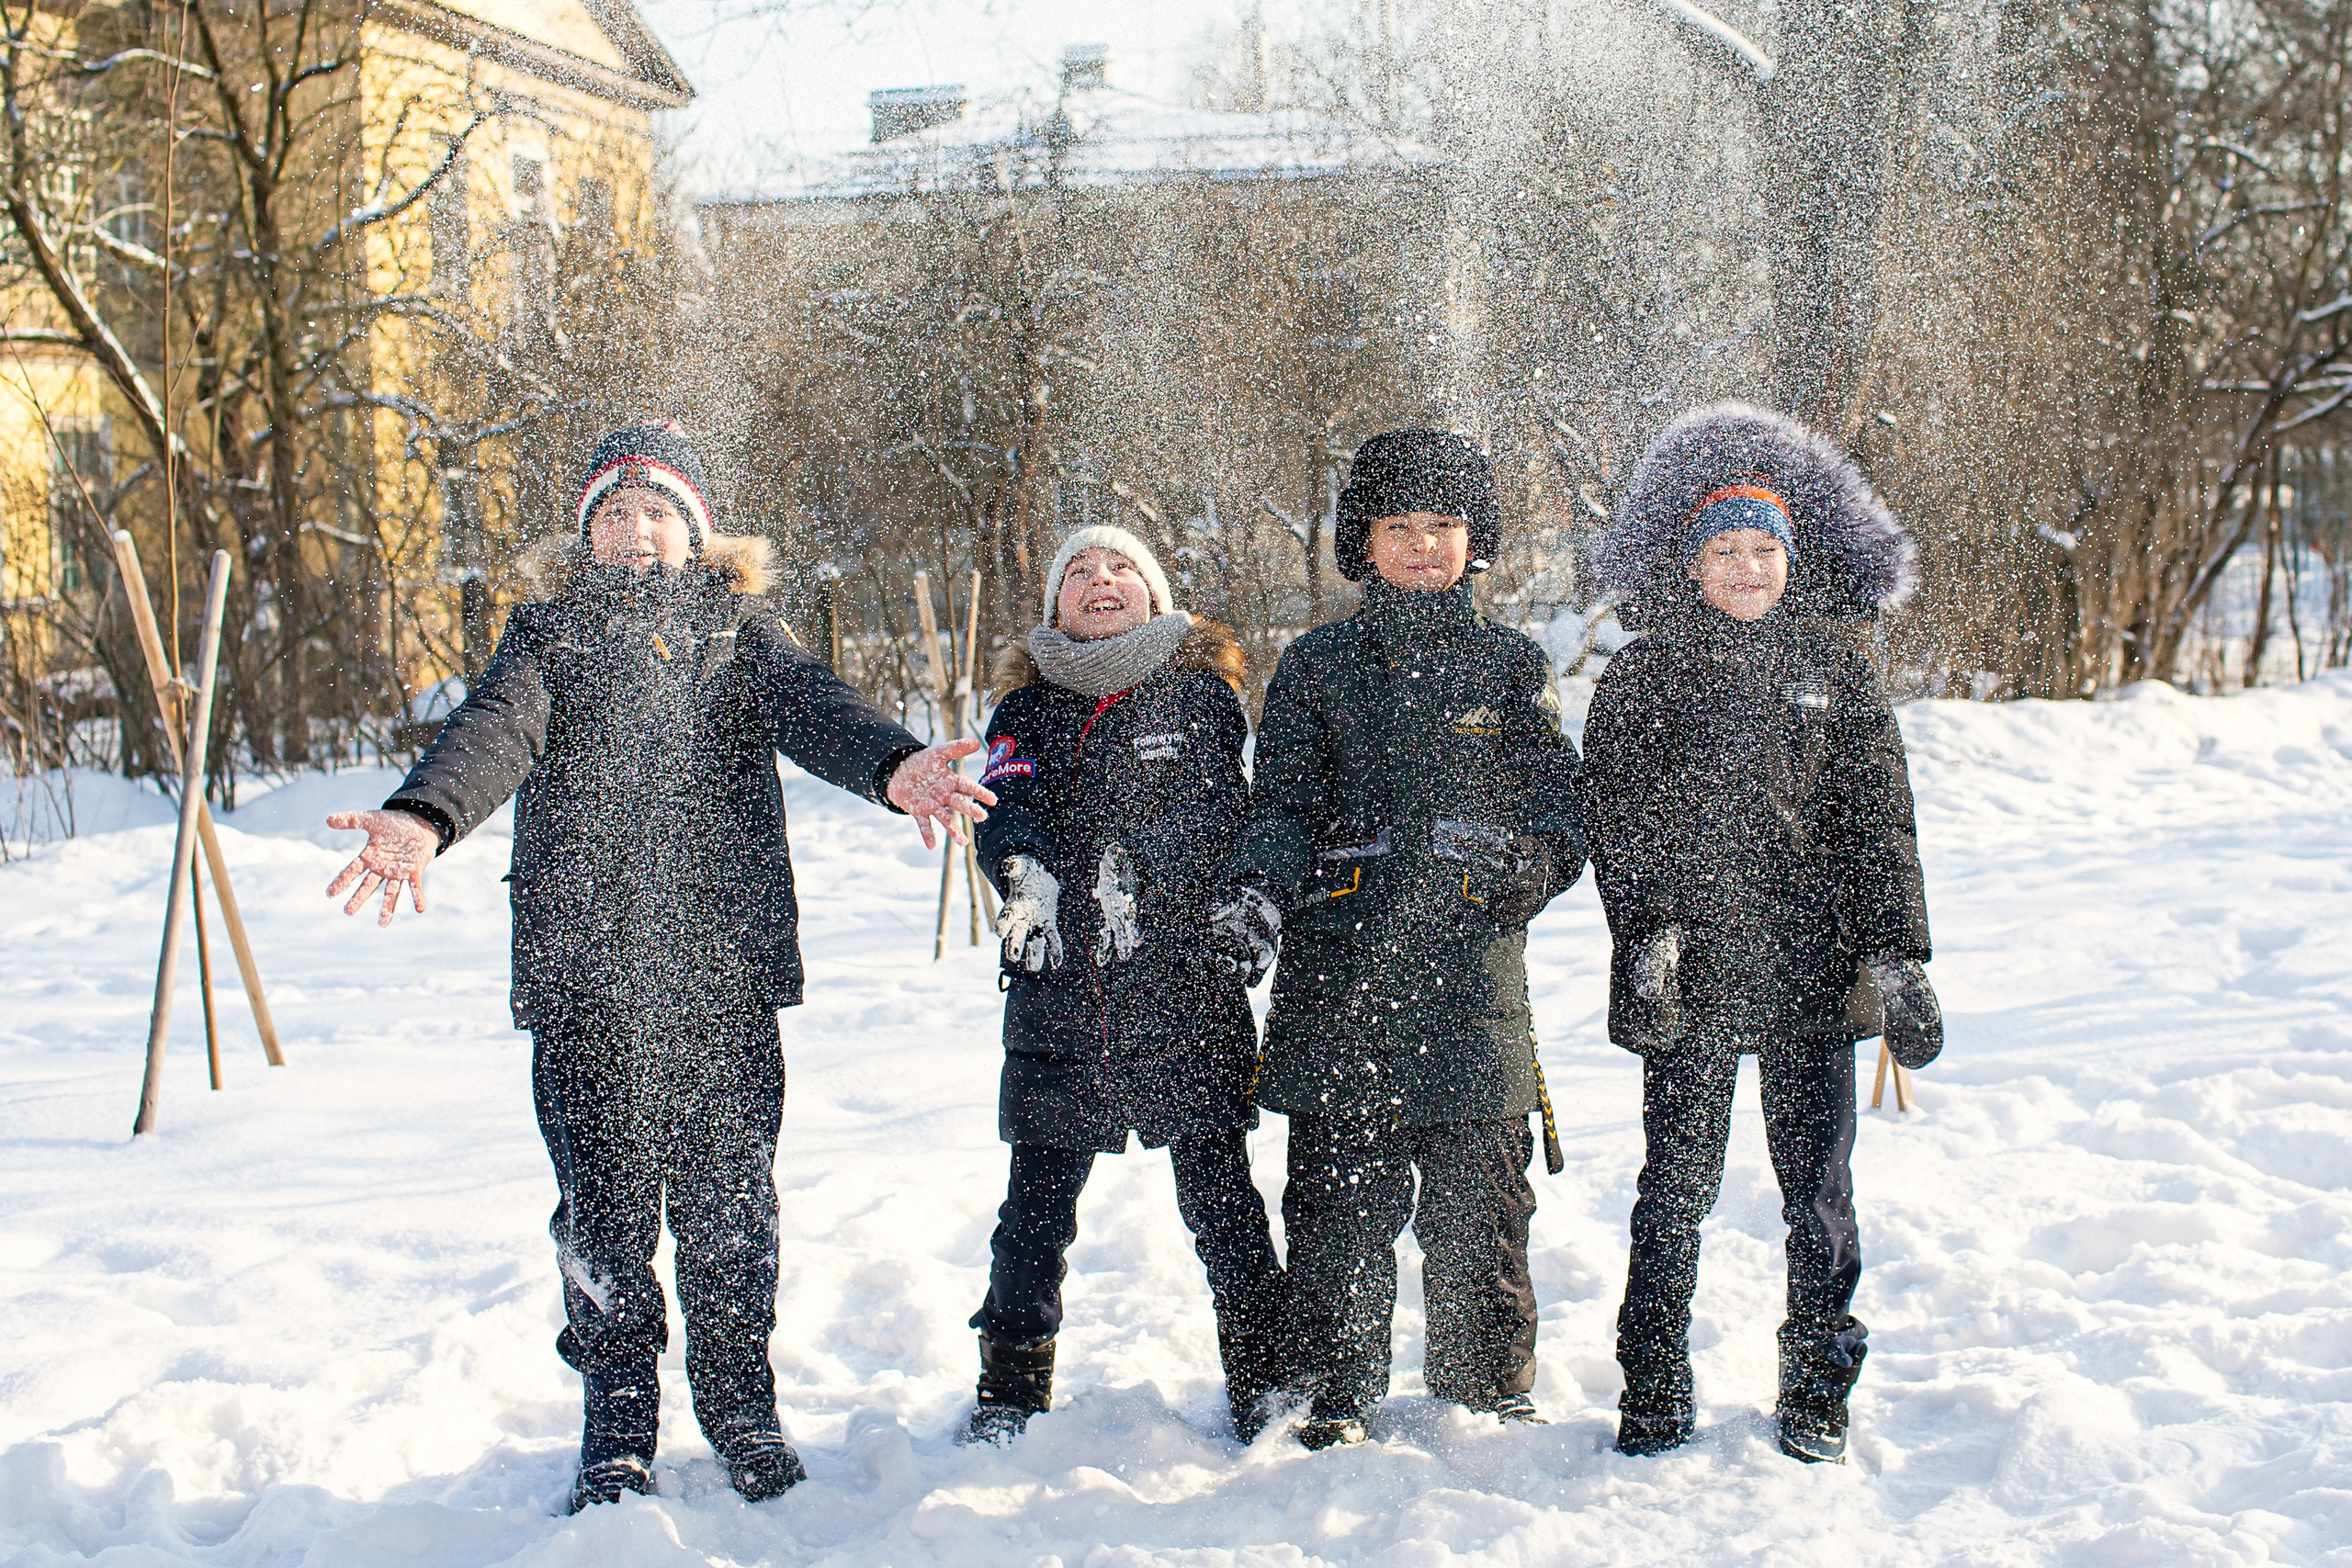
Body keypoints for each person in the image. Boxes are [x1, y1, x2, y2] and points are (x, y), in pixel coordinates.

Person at [321, 421, 993, 1513]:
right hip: (585, 979)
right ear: (587, 537)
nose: (637, 534)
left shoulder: (738, 630)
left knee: (732, 1208)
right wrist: (423, 816)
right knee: (604, 1213)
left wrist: (891, 766)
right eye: (615, 516)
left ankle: (740, 1411)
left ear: (697, 535)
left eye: (659, 516)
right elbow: (494, 732)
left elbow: (817, 709)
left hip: (720, 976)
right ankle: (618, 1424)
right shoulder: (549, 637)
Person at [1578, 401, 1943, 1465]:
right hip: (1686, 974)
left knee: (1819, 1196)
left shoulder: (1837, 665)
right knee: (1673, 1194)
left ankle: (1817, 1384)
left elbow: (1878, 822)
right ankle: (1650, 1385)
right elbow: (1620, 818)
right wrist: (1647, 932)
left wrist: (1896, 954)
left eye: (1763, 548)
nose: (1745, 567)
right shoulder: (1643, 674)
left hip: (1814, 975)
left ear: (1793, 557)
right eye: (1724, 549)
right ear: (1689, 564)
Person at [1208, 431, 1586, 1450]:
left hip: (1471, 981)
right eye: (1399, 527)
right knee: (1337, 1206)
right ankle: (1336, 1390)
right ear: (1361, 544)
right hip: (1343, 978)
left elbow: (1560, 805)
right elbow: (1280, 805)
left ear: (1477, 542)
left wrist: (1538, 864)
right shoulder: (1318, 666)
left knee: (1482, 1206)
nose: (1424, 546)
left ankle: (1487, 1389)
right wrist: (1259, 893)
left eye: (1445, 526)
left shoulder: (1508, 666)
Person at [965, 525, 1290, 1444]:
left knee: (1222, 1200)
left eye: (1120, 569)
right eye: (1078, 571)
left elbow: (1215, 806)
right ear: (1054, 605)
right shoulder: (1024, 707)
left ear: (1152, 595)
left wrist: (1130, 863)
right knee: (1033, 1210)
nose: (1099, 580)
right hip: (1060, 990)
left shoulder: (1198, 693)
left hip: (1182, 987)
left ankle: (1263, 1374)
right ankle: (1009, 1385)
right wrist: (1025, 870)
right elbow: (1008, 801)